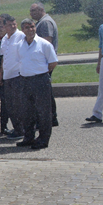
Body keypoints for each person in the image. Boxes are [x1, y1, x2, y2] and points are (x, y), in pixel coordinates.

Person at [16, 18, 59, 149]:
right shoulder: (20, 45)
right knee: (26, 111)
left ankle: (43, 139)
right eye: (27, 27)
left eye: (32, 27)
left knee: (43, 112)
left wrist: (41, 73)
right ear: (22, 30)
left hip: (40, 80)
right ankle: (28, 137)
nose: (30, 30)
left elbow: (53, 62)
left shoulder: (44, 44)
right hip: (25, 80)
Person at [30, 2, 59, 127]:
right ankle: (51, 117)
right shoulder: (41, 22)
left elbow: (47, 43)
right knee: (46, 91)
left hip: (44, 63)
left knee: (43, 92)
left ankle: (49, 118)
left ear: (41, 9)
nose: (31, 14)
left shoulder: (45, 23)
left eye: (33, 11)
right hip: (43, 63)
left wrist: (44, 63)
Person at [0, 14, 24, 139]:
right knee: (10, 104)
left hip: (18, 75)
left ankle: (23, 129)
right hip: (7, 76)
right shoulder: (4, 39)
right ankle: (17, 128)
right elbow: (4, 57)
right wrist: (1, 73)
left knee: (19, 104)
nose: (13, 26)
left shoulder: (21, 36)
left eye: (14, 24)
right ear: (4, 26)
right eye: (10, 25)